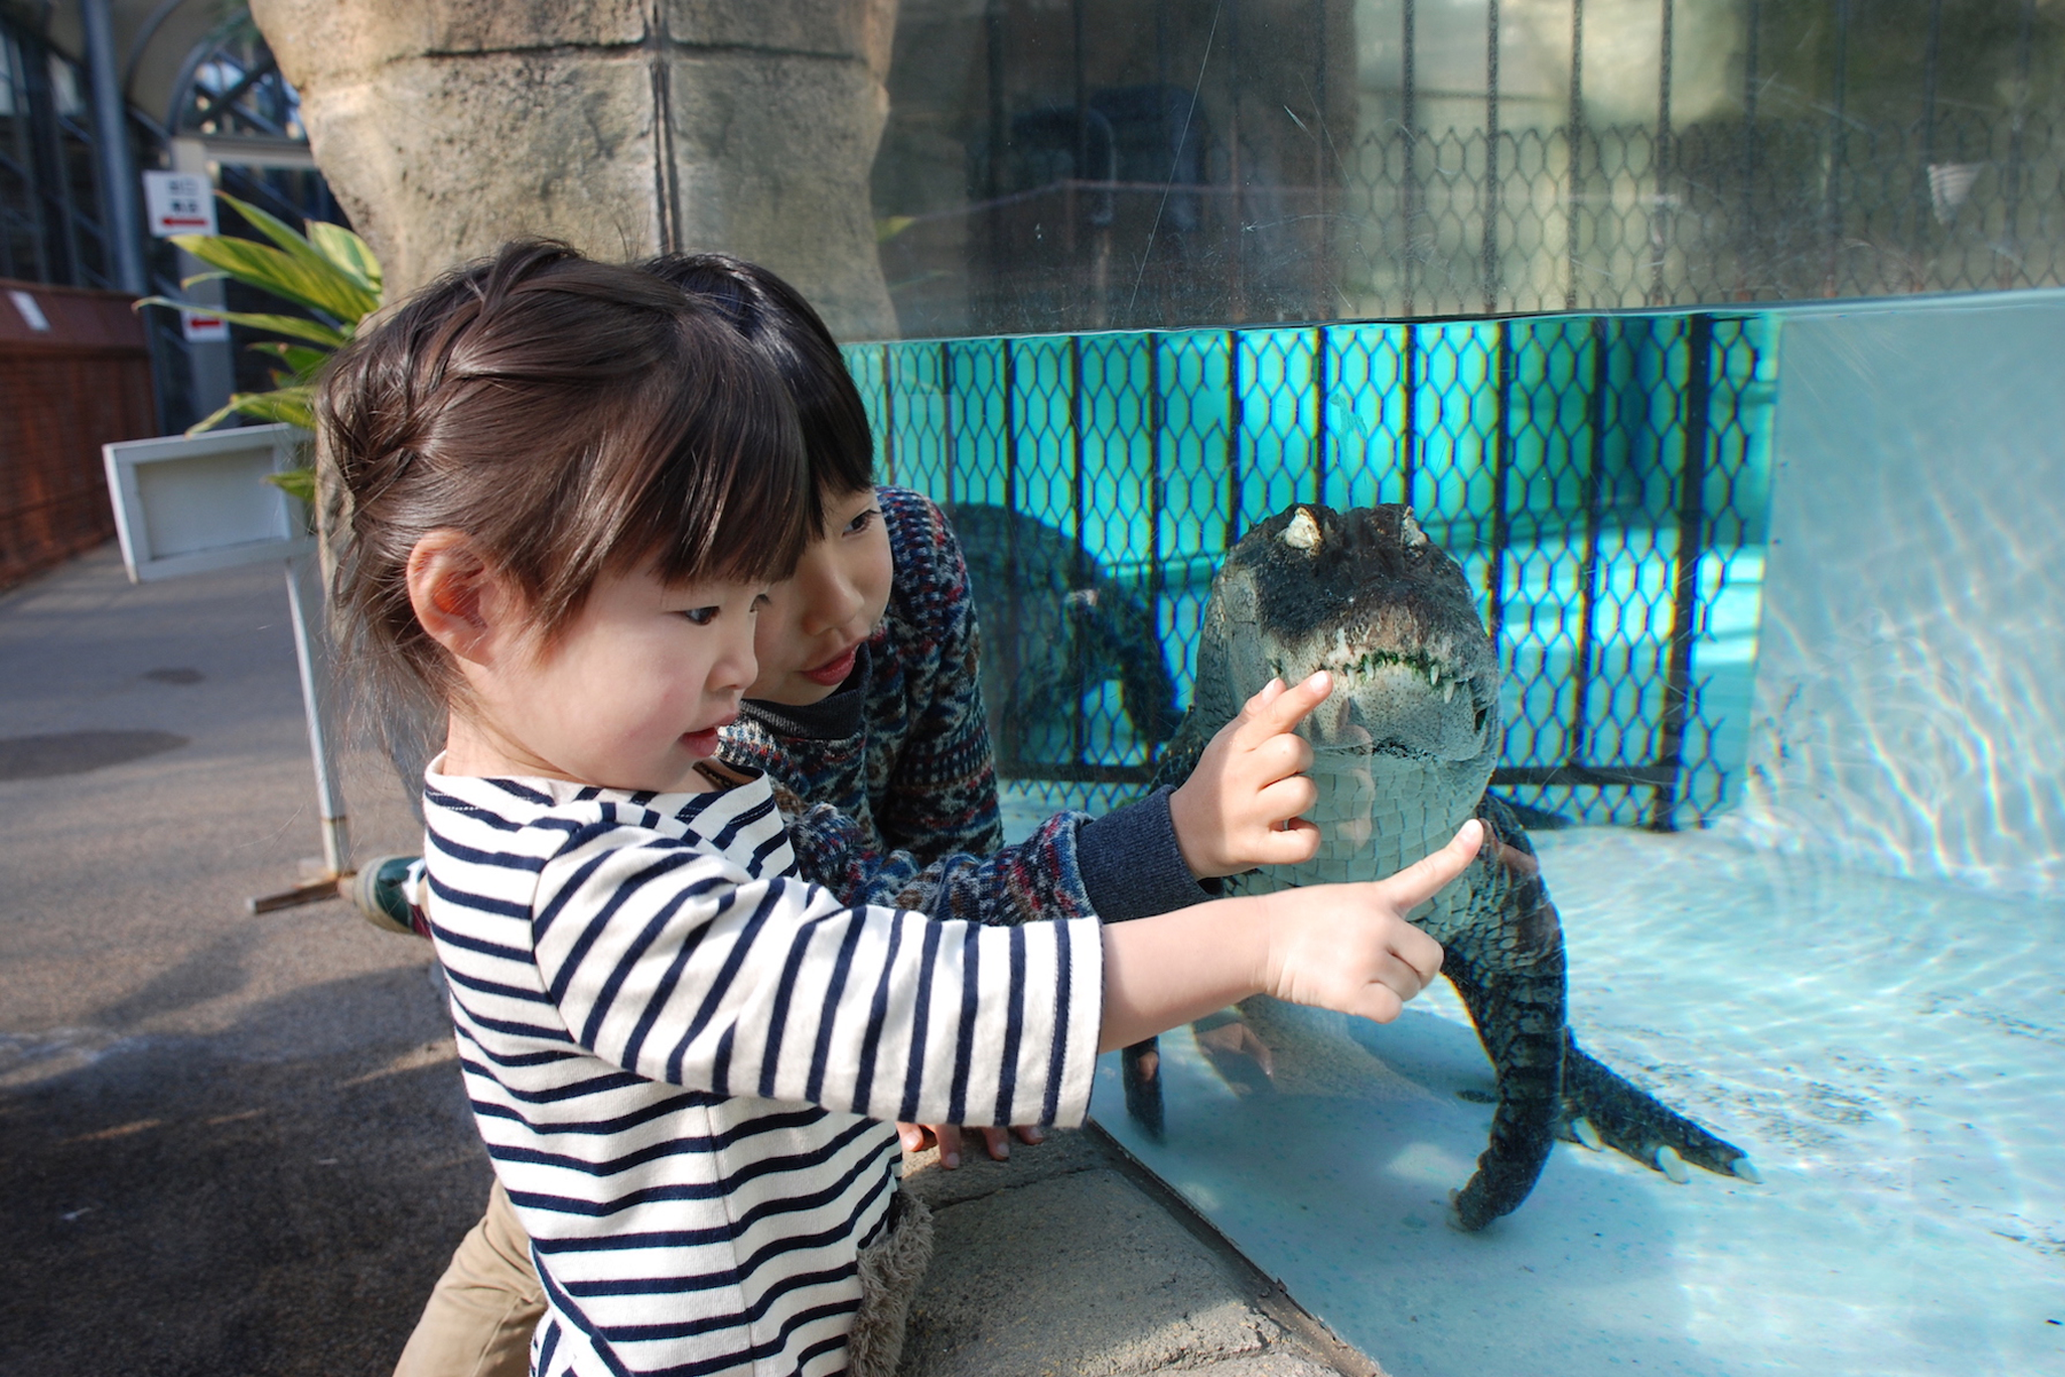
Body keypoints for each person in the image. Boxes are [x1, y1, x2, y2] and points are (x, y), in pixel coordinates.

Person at [330, 242, 1482, 1377]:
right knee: (524, 1235)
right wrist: (1258, 938)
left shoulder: (633, 765)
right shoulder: (588, 885)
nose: (743, 658)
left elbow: (919, 922)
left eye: (758, 596)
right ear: (468, 601)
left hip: (771, 1220)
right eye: (708, 609)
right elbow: (914, 998)